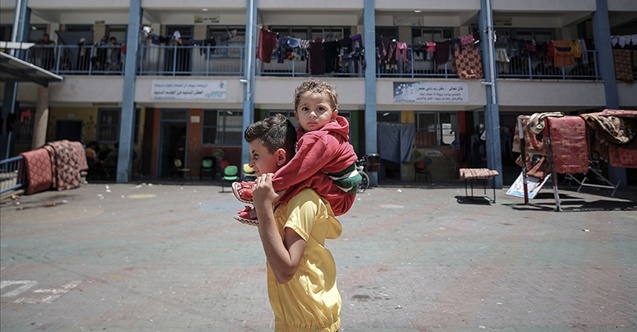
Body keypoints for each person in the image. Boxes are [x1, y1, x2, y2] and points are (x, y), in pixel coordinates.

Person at [247, 113, 342, 331]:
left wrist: (263, 210)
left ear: (280, 157)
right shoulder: (284, 198)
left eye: (255, 155)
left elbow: (285, 270)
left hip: (312, 322)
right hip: (290, 319)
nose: (251, 164)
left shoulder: (303, 199)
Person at [234, 79, 360, 222]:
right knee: (301, 178)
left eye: (320, 109)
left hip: (340, 197)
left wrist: (269, 186)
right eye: (305, 109)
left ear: (333, 115)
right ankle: (265, 206)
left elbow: (298, 170)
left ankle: (261, 197)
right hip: (336, 190)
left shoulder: (322, 138)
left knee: (304, 177)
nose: (312, 114)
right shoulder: (310, 134)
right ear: (297, 116)